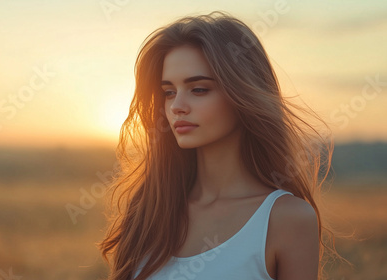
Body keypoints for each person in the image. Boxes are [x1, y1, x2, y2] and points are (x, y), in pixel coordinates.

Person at [97, 11, 341, 280]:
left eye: (199, 89)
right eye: (169, 92)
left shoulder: (286, 219)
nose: (177, 106)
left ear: (242, 92)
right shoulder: (150, 210)